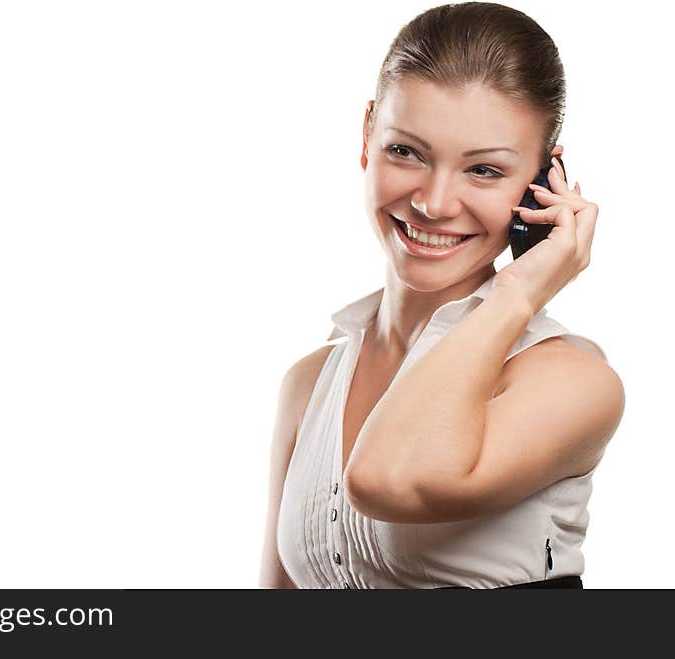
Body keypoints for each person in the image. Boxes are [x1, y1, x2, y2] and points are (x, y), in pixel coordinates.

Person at [258, 1, 625, 589]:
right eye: (406, 151)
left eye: (483, 170)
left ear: (542, 183)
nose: (433, 202)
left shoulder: (573, 381)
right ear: (367, 136)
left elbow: (390, 479)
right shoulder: (310, 382)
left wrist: (517, 292)